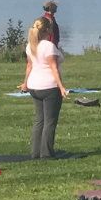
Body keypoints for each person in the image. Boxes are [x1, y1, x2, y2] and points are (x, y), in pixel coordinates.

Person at [17, 18, 67, 160]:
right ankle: (46, 154)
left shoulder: (30, 46)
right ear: (47, 30)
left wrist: (25, 83)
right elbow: (53, 67)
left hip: (34, 86)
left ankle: (36, 152)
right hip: (49, 87)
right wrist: (61, 87)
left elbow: (29, 66)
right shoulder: (48, 46)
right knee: (50, 121)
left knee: (39, 120)